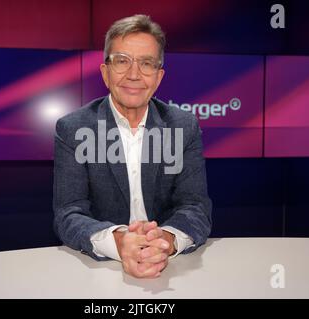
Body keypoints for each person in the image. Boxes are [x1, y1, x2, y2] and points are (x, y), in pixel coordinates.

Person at [53, 14, 212, 279]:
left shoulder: (184, 126)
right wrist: (119, 241)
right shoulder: (73, 129)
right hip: (98, 272)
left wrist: (166, 240)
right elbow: (69, 214)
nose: (134, 74)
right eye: (122, 61)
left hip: (170, 270)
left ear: (159, 77)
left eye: (146, 63)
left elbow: (195, 206)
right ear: (105, 72)